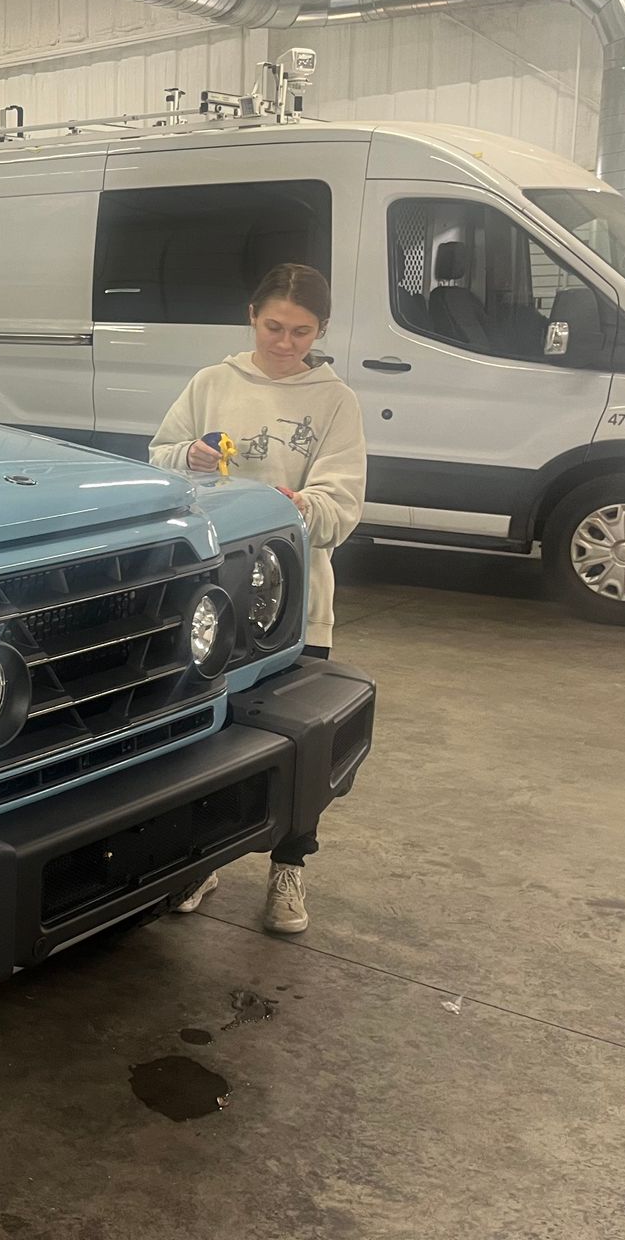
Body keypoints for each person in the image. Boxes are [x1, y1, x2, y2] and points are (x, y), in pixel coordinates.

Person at [147, 263, 366, 934]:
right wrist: (192, 455)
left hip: (295, 607)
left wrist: (293, 507)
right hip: (208, 604)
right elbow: (154, 459)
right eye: (274, 326)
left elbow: (342, 507)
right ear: (252, 316)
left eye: (301, 332)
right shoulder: (211, 384)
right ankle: (202, 860)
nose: (284, 342)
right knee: (205, 741)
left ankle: (289, 871)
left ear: (321, 331)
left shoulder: (335, 402)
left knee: (300, 748)